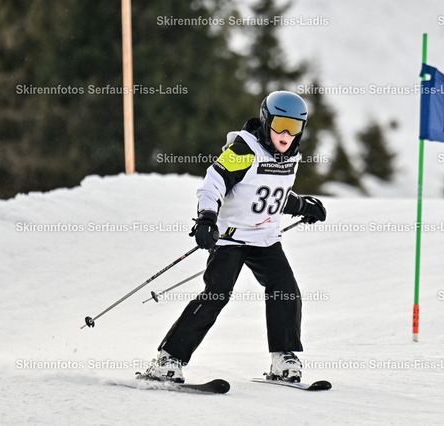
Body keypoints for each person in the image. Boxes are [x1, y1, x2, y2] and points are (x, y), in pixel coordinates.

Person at [139, 91, 326, 383]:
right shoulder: (244, 150)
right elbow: (213, 185)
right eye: (280, 125)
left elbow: (271, 194)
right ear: (265, 121)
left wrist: (303, 206)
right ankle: (168, 359)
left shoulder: (290, 157)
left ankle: (283, 358)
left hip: (265, 238)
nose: (286, 135)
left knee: (285, 290)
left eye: (294, 128)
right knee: (217, 294)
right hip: (231, 238)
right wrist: (206, 219)